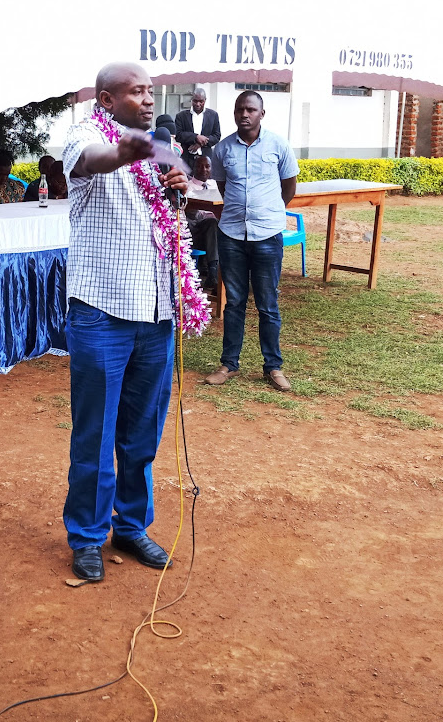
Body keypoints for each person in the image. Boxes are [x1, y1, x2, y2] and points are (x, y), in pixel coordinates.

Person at [62, 62, 188, 583]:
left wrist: (178, 184)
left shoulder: (155, 146)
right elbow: (94, 160)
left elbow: (172, 219)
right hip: (102, 312)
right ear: (107, 99)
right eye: (136, 92)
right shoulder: (86, 134)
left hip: (156, 312)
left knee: (141, 434)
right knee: (95, 433)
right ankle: (87, 536)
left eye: (151, 91)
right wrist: (124, 153)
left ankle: (131, 526)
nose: (148, 99)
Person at [205, 90, 298, 392]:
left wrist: (270, 211)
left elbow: (289, 185)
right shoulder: (222, 149)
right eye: (239, 109)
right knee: (234, 303)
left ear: (261, 113)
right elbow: (221, 184)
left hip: (267, 235)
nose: (244, 115)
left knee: (268, 304)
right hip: (231, 234)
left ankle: (273, 366)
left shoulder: (278, 145)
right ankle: (229, 364)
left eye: (250, 110)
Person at [185, 155, 219, 290]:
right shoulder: (187, 186)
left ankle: (215, 274)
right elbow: (192, 213)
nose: (203, 169)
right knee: (212, 223)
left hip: (213, 229)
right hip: (194, 231)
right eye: (199, 166)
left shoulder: (215, 185)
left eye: (207, 166)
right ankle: (213, 272)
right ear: (193, 168)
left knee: (216, 225)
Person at [175, 88, 221, 168]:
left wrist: (200, 143)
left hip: (206, 159)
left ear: (205, 100)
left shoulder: (213, 115)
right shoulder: (181, 116)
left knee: (205, 181)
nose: (198, 104)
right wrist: (196, 137)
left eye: (201, 101)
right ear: (192, 100)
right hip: (186, 159)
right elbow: (178, 135)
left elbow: (217, 136)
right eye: (195, 101)